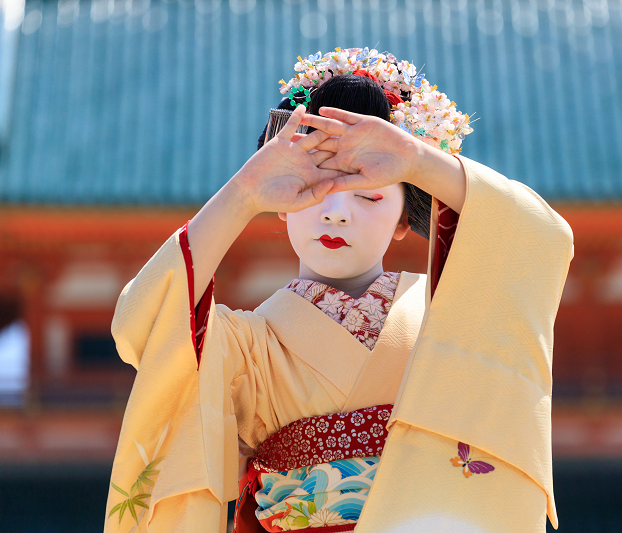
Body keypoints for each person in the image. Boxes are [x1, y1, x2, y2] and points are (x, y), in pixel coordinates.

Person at [103, 48, 573, 533]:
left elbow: (542, 241)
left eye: (369, 195)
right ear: (280, 207)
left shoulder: (448, 313)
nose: (336, 213)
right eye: (314, 190)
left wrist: (417, 161)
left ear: (402, 221)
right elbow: (141, 327)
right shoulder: (244, 343)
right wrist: (243, 194)